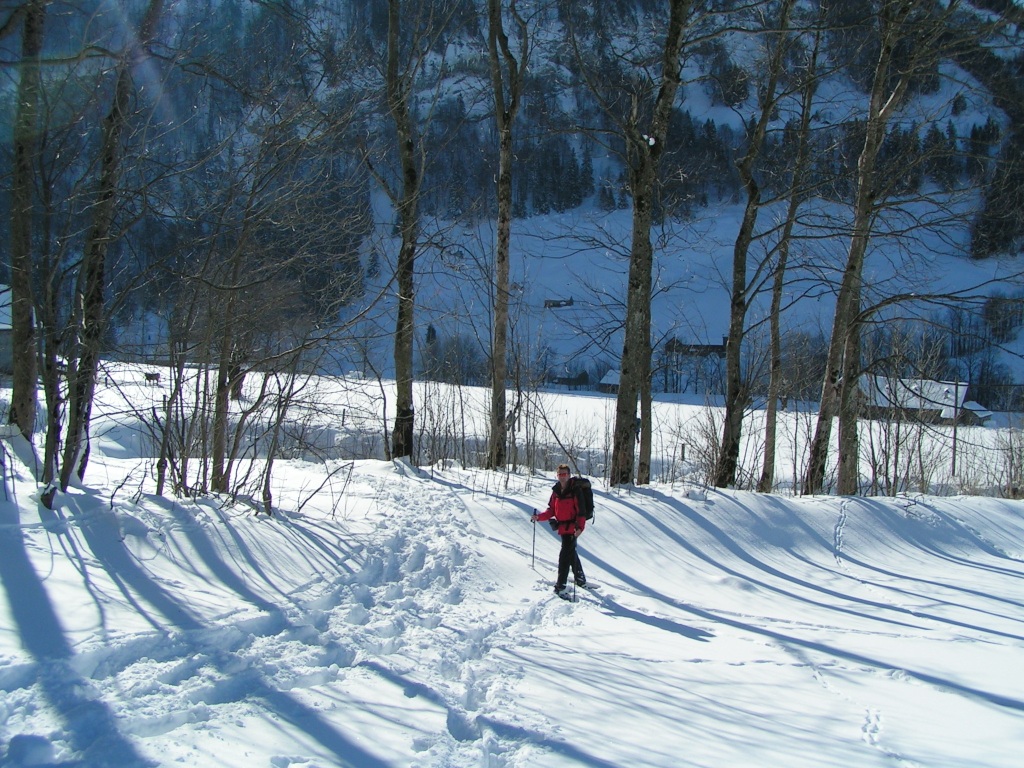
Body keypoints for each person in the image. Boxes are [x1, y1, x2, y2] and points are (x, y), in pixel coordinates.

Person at [531, 464, 588, 598]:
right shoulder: (556, 491)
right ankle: (580, 579)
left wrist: (580, 528)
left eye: (564, 474)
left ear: (569, 475)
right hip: (562, 528)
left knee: (564, 557)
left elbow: (581, 511)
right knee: (570, 552)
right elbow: (551, 510)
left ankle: (560, 586)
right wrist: (539, 517)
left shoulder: (575, 490)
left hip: (573, 528)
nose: (562, 477)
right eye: (560, 474)